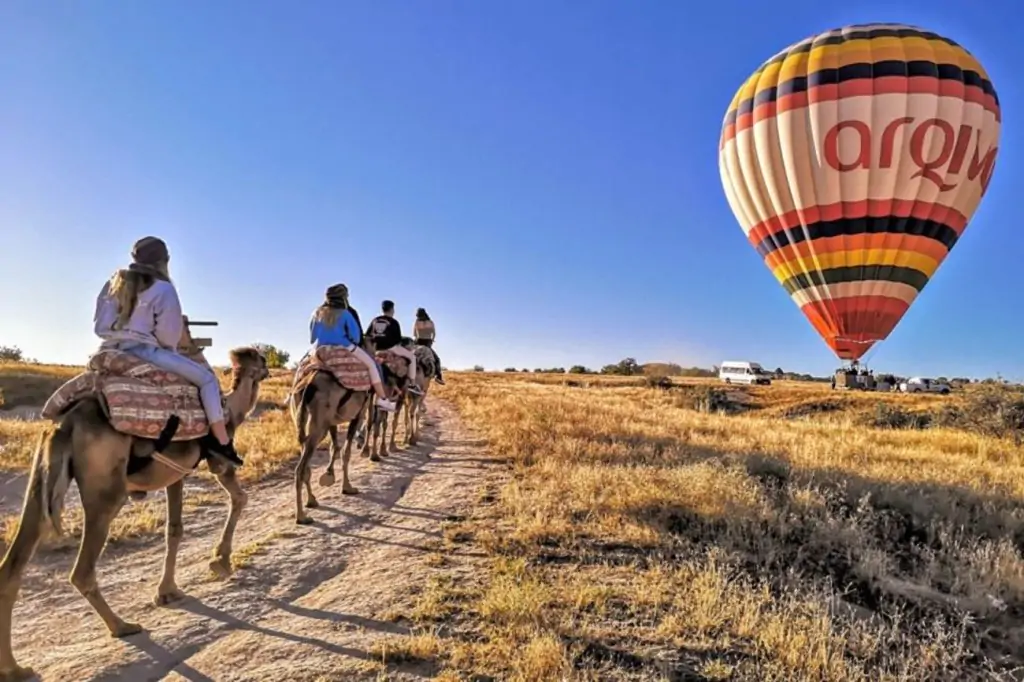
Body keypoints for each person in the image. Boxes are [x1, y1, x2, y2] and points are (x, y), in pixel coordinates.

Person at [93, 236, 244, 466]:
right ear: (165, 260)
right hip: (146, 352)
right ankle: (221, 443)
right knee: (207, 381)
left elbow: (100, 326)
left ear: (134, 258)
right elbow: (167, 337)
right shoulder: (163, 288)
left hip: (108, 351)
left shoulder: (112, 283)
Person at [309, 284, 397, 412]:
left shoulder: (316, 313)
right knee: (371, 365)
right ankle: (382, 399)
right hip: (344, 346)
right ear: (343, 297)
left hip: (319, 349)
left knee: (303, 366)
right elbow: (355, 337)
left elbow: (312, 338)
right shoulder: (345, 313)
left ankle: (293, 393)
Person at [365, 300, 423, 396]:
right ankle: (412, 384)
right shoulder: (394, 322)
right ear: (392, 309)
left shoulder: (375, 320)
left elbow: (367, 337)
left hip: (376, 349)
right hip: (391, 348)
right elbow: (398, 341)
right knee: (412, 358)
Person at [412, 308, 445, 385]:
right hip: (427, 343)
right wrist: (432, 340)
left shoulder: (417, 322)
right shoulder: (430, 322)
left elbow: (414, 334)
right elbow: (434, 334)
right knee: (437, 359)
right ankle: (438, 376)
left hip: (418, 342)